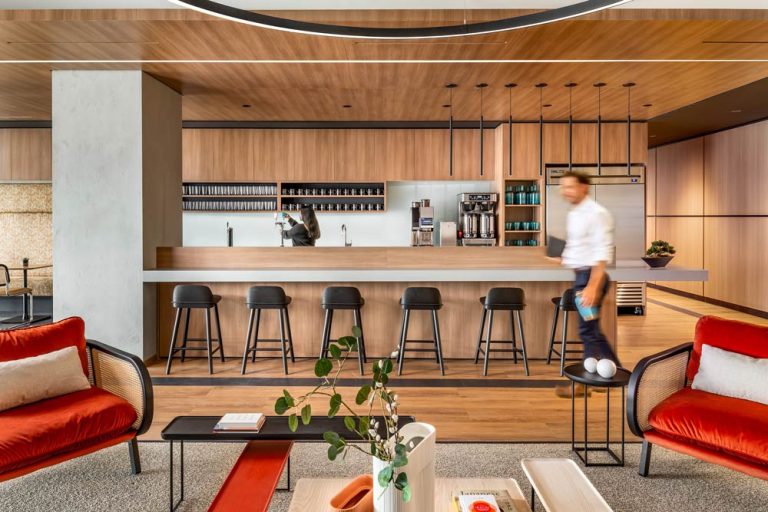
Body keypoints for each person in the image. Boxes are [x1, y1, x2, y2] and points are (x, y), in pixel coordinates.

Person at [555, 171, 620, 398]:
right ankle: (615, 372)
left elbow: (602, 253)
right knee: (591, 330)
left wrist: (592, 286)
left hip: (590, 279)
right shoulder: (576, 213)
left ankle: (587, 382)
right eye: (563, 187)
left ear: (583, 187)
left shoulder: (596, 213)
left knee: (588, 331)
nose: (565, 191)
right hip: (581, 277)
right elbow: (579, 247)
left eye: (569, 187)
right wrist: (563, 258)